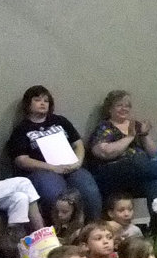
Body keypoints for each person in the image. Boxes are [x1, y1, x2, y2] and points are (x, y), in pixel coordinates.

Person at [6, 87, 101, 223]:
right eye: (37, 100)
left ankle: (93, 228)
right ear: (28, 104)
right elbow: (22, 160)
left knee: (89, 189)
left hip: (70, 166)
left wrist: (78, 162)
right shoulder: (22, 129)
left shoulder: (60, 121)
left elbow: (78, 143)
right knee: (55, 194)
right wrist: (52, 168)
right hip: (42, 171)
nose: (43, 103)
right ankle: (61, 233)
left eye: (46, 100)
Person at [87, 90, 157, 199]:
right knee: (138, 161)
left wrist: (144, 134)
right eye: (119, 105)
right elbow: (104, 152)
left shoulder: (136, 125)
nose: (124, 109)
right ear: (110, 109)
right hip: (113, 172)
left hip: (140, 171)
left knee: (156, 182)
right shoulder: (105, 127)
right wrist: (130, 137)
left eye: (127, 106)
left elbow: (154, 153)